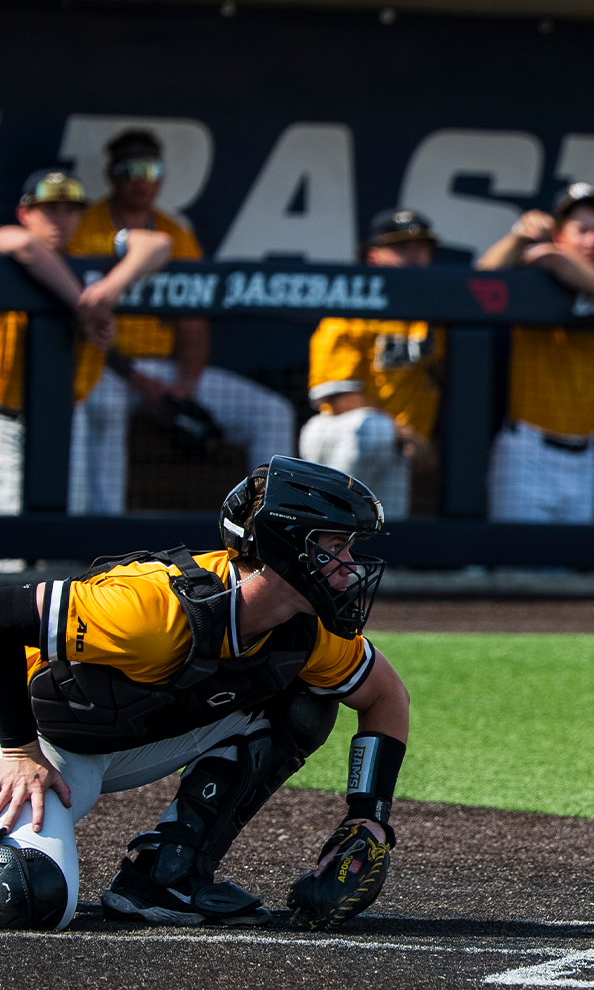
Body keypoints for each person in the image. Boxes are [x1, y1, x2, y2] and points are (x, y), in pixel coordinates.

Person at [0, 456, 408, 931]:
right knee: (33, 899)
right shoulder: (151, 607)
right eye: (337, 547)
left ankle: (165, 877)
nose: (351, 566)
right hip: (28, 742)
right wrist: (16, 749)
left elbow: (385, 696)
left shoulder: (310, 630)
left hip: (94, 747)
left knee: (306, 703)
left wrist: (368, 819)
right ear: (288, 547)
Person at [68, 130, 296, 515]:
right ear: (111, 175)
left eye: (151, 169)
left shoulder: (176, 233)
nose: (141, 180)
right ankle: (99, 532)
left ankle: (274, 529)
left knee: (272, 411)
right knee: (101, 406)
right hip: (107, 369)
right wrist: (143, 384)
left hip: (167, 369)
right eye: (130, 170)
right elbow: (84, 326)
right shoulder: (86, 229)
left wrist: (186, 384)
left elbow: (194, 322)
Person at [0, 170, 169, 518]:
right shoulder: (10, 249)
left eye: (71, 210)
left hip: (66, 418)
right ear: (24, 213)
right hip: (4, 420)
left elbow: (157, 243)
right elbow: (24, 245)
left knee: (63, 531)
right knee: (10, 537)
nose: (61, 219)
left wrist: (111, 288)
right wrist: (84, 308)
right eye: (50, 210)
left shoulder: (91, 251)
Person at [477, 183, 594, 523]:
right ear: (559, 233)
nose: (592, 240)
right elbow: (486, 275)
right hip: (528, 449)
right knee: (515, 565)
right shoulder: (538, 265)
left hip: (585, 453)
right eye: (582, 230)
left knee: (565, 570)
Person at [299, 210, 443, 520]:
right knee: (374, 431)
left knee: (386, 533)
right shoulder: (352, 307)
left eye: (422, 248)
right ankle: (319, 521)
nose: (415, 258)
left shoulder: (435, 307)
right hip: (341, 433)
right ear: (373, 255)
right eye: (402, 249)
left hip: (397, 446)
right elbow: (336, 395)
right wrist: (406, 433)